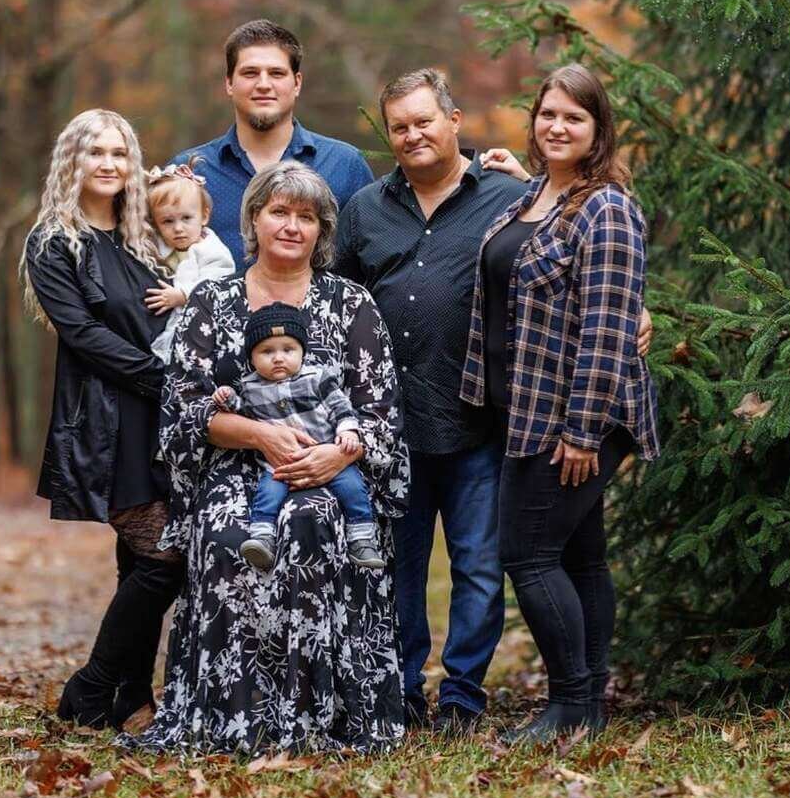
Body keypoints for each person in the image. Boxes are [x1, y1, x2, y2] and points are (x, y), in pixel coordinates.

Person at [335, 68, 653, 736]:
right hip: (419, 419)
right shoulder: (519, 196)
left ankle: (511, 699)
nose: (414, 134)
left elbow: (602, 304)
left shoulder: (550, 198)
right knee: (562, 558)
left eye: (426, 120)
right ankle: (566, 705)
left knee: (510, 561)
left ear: (454, 122)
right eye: (399, 126)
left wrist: (589, 418)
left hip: (518, 418)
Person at [120, 161, 409, 754]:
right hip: (235, 468)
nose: (292, 226)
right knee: (230, 535)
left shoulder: (350, 304)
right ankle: (234, 711)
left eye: (307, 216)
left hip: (336, 466)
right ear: (253, 218)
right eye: (279, 211)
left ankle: (322, 715)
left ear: (322, 230)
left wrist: (334, 457)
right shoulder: (211, 301)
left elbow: (380, 409)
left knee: (317, 522)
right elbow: (186, 412)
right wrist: (260, 435)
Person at [461, 64, 660, 743]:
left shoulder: (607, 207)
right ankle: (591, 702)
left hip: (574, 418)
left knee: (529, 555)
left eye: (575, 118)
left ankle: (570, 703)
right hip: (526, 410)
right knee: (581, 558)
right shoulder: (533, 196)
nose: (558, 126)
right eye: (548, 114)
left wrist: (582, 431)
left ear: (598, 130)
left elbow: (608, 327)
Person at [21, 109, 183, 730]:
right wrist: (160, 377)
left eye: (121, 152)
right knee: (167, 556)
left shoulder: (144, 234)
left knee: (135, 560)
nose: (110, 164)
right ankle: (89, 688)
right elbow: (83, 333)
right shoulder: (55, 242)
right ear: (74, 162)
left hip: (166, 419)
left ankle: (131, 698)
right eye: (96, 152)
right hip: (109, 421)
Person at [169, 19, 375, 266]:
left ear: (297, 83)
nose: (263, 84)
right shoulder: (189, 170)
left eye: (276, 73)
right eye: (250, 73)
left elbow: (370, 263)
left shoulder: (345, 165)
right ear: (229, 83)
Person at [212, 301, 386, 571]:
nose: (278, 358)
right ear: (252, 358)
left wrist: (347, 431)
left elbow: (341, 408)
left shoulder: (317, 378)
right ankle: (262, 539)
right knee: (268, 494)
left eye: (288, 349)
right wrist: (226, 399)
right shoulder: (250, 387)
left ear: (302, 352)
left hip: (326, 454)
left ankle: (362, 539)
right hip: (279, 465)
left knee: (353, 487)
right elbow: (241, 413)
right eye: (266, 351)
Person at [144, 162, 235, 364]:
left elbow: (216, 284)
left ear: (204, 216)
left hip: (203, 326)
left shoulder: (213, 251)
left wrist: (183, 294)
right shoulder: (159, 248)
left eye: (186, 218)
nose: (178, 228)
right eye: (167, 221)